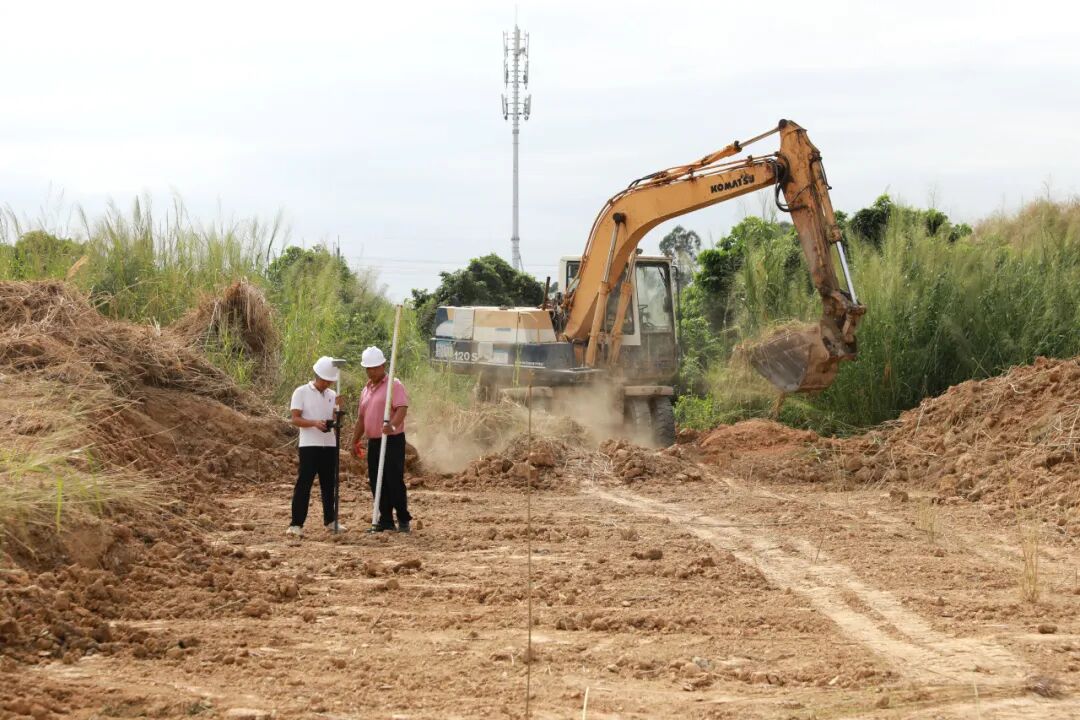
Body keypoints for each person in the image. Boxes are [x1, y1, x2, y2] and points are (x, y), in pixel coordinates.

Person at [351, 345, 411, 533]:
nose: (371, 372)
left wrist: (392, 425)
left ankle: (403, 519)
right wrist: (355, 440)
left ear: (383, 366)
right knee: (376, 480)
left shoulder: (394, 385)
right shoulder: (366, 389)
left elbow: (402, 408)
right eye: (368, 368)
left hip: (392, 440)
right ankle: (385, 520)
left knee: (393, 479)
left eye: (375, 368)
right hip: (374, 442)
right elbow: (361, 418)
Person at [287, 356, 346, 538]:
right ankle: (296, 524)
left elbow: (335, 421)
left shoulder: (332, 395)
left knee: (329, 484)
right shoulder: (301, 392)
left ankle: (330, 520)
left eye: (330, 381)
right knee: (304, 483)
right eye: (325, 380)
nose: (327, 384)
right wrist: (314, 423)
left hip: (329, 444)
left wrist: (337, 411)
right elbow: (295, 419)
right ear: (317, 376)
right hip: (309, 445)